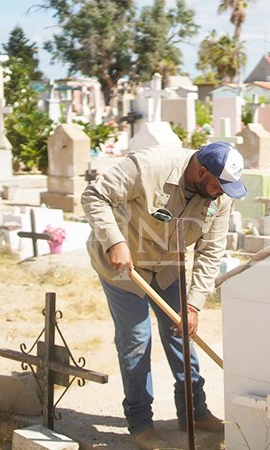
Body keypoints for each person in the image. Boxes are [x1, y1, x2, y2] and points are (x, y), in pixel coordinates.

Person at [81, 141, 247, 450]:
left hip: (170, 267)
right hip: (125, 267)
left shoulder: (220, 195)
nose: (222, 192)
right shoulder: (149, 166)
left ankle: (194, 412)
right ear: (200, 172)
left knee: (182, 334)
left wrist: (195, 303)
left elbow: (211, 251)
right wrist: (114, 241)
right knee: (136, 341)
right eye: (218, 185)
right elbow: (94, 195)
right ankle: (141, 422)